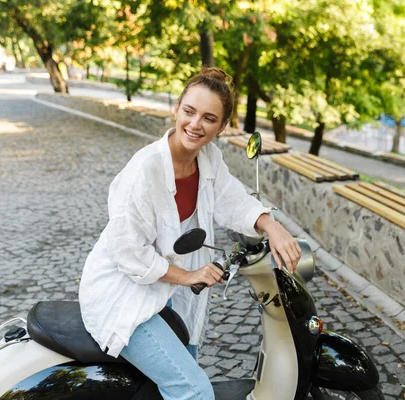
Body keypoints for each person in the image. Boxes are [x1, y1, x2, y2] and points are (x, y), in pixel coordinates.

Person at [79, 67, 301, 400]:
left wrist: (272, 225)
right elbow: (127, 250)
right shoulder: (146, 168)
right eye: (189, 112)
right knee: (194, 390)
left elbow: (232, 199)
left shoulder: (209, 158)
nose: (196, 124)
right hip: (124, 296)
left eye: (209, 118)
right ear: (177, 109)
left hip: (169, 294)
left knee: (187, 363)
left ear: (222, 127)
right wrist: (187, 275)